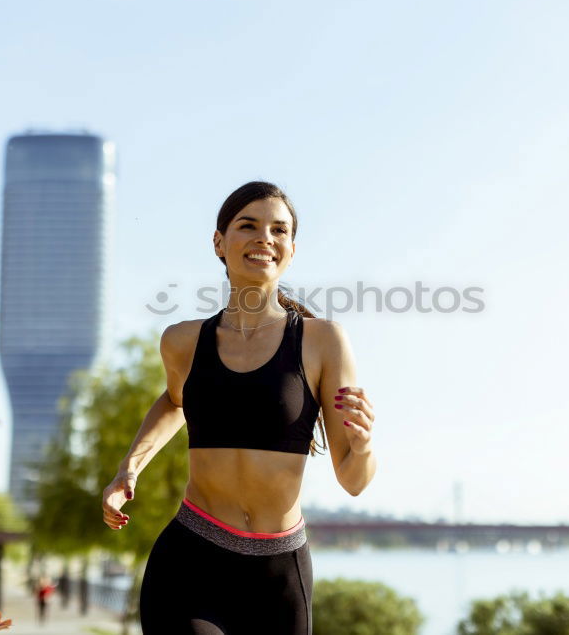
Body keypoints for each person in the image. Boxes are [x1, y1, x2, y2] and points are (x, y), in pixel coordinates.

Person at [101, 181, 377, 634]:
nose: (264, 238)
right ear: (219, 242)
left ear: (291, 248)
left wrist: (363, 446)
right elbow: (175, 401)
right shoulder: (183, 341)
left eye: (278, 230)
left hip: (279, 574)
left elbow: (353, 481)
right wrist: (128, 469)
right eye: (247, 226)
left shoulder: (322, 341)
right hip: (191, 559)